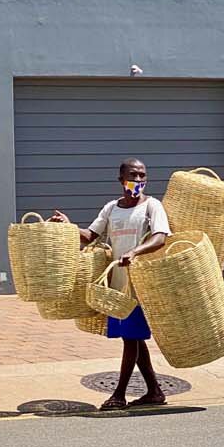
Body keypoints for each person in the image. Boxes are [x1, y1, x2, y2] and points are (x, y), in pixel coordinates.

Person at [52, 159, 170, 410]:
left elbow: (160, 238)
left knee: (130, 338)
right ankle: (154, 391)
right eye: (133, 175)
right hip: (118, 286)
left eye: (142, 175)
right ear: (120, 179)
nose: (138, 180)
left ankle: (119, 394)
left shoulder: (152, 206)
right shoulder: (111, 209)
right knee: (134, 338)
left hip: (140, 286)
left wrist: (136, 252)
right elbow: (90, 237)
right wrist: (68, 226)